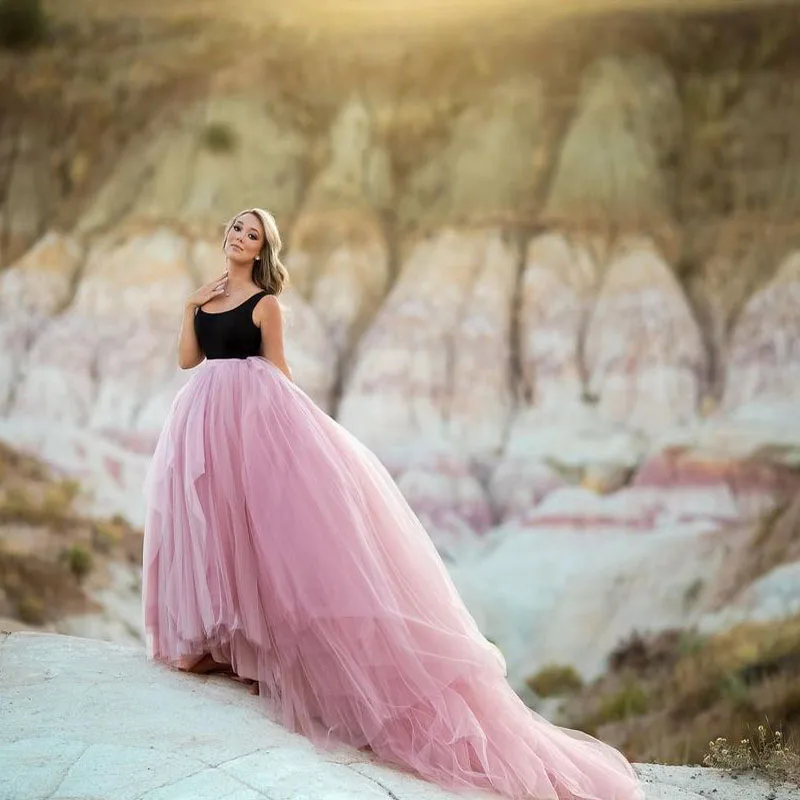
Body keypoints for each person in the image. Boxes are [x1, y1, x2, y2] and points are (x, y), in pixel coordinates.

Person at [142, 208, 645, 800]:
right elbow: (186, 361)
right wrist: (189, 308)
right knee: (217, 527)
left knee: (264, 533)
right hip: (202, 419)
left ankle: (267, 655)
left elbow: (278, 372)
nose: (239, 238)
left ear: (262, 251)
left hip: (254, 422)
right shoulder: (204, 299)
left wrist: (294, 441)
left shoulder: (265, 305)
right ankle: (222, 645)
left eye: (252, 235)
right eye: (235, 228)